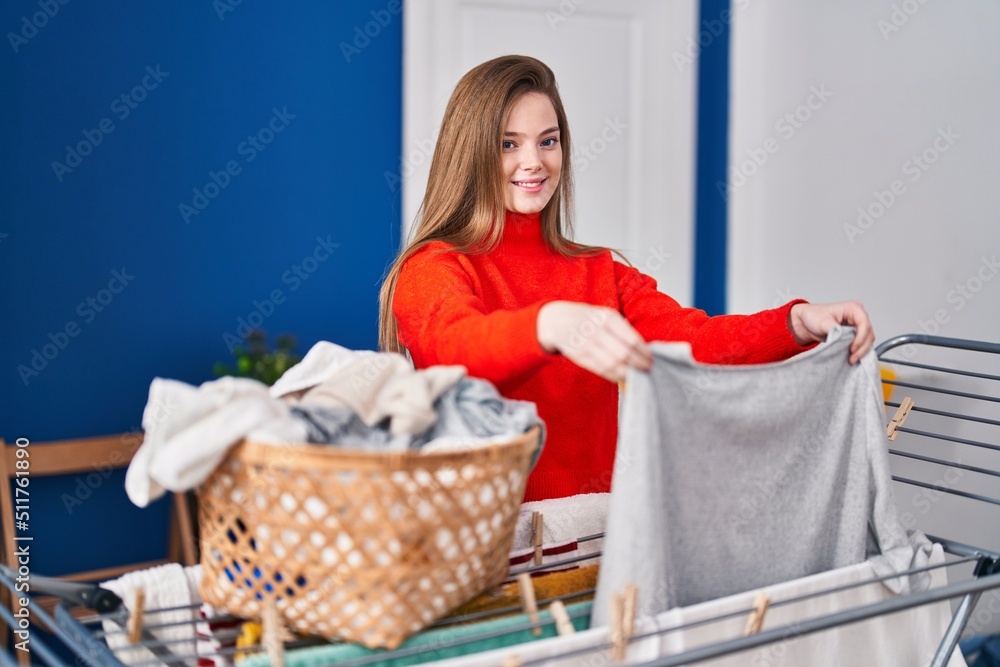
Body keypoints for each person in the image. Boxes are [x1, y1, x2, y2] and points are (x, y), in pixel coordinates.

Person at [378, 55, 874, 503]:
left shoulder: (599, 273)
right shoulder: (433, 267)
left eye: (548, 141)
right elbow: (456, 351)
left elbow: (698, 340)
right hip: (481, 543)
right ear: (470, 152)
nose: (534, 162)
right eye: (509, 144)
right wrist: (549, 325)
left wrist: (797, 323)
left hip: (594, 535)